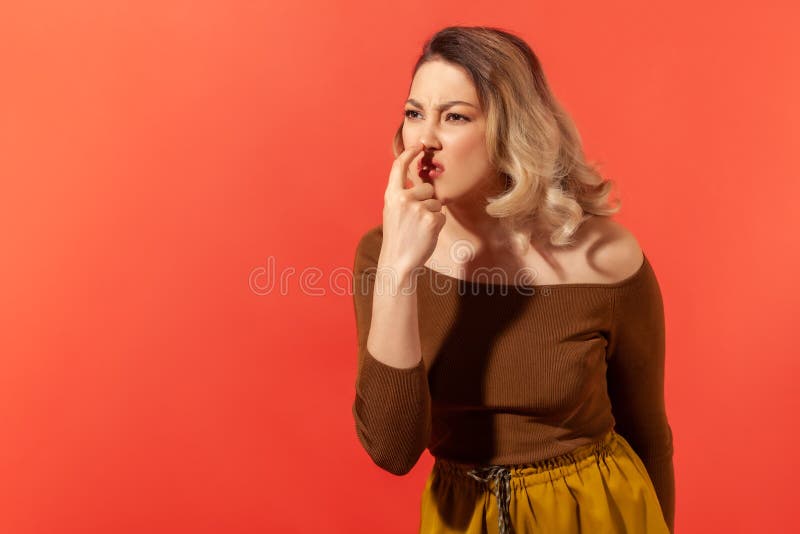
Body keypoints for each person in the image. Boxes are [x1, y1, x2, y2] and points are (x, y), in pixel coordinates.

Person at [351, 26, 675, 534]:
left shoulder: (606, 257)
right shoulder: (383, 254)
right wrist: (398, 269)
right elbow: (392, 450)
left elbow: (648, 432)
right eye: (414, 114)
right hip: (462, 518)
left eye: (455, 116)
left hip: (595, 515)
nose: (425, 139)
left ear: (513, 130)